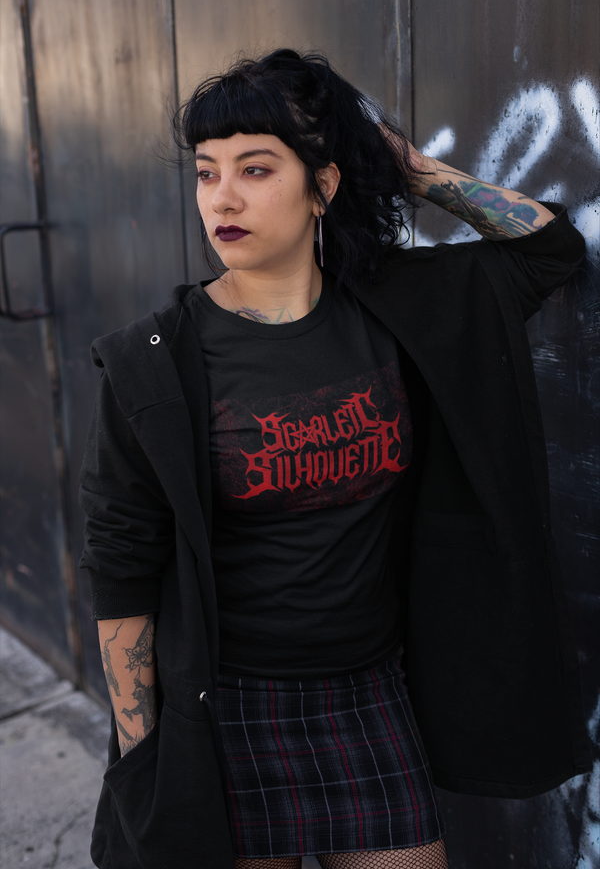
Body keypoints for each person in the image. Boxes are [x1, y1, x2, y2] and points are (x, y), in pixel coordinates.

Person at [79, 49, 591, 869]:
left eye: (255, 169)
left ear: (322, 185)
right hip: (226, 708)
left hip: (369, 695)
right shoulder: (155, 363)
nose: (223, 198)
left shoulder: (398, 308)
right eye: (207, 173)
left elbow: (548, 249)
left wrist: (405, 166)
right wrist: (145, 764)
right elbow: (122, 571)